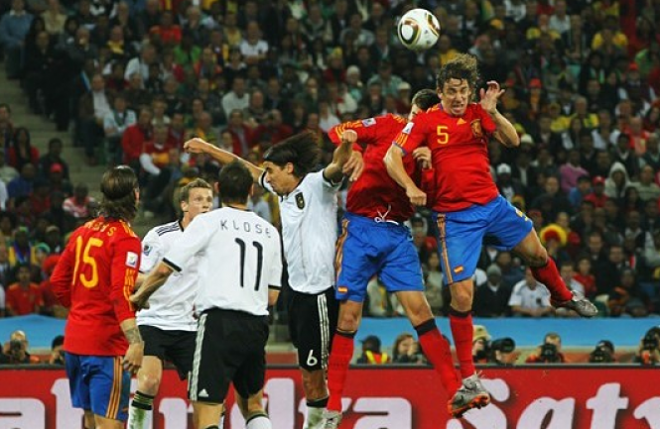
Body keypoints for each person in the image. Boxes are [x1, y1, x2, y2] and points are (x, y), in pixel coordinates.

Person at [384, 54, 598, 417]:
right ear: (439, 92)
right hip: (455, 219)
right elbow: (392, 157)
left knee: (537, 254)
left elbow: (513, 140)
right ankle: (469, 377)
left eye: (463, 91)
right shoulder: (425, 121)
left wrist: (492, 111)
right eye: (451, 91)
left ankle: (561, 296)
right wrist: (409, 187)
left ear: (470, 92)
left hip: (493, 205)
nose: (457, 98)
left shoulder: (476, 113)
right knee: (462, 294)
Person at [184, 130, 356, 429]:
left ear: (289, 168)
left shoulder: (318, 185)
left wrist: (347, 143)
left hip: (319, 293)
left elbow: (338, 165)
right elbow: (241, 165)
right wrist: (207, 148)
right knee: (307, 372)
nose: (267, 177)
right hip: (296, 292)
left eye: (271, 171)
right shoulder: (281, 191)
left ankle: (321, 423)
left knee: (317, 374)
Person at [321, 90, 464, 427]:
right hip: (359, 228)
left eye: (427, 116)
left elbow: (431, 197)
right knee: (349, 318)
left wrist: (428, 168)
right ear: (411, 109)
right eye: (417, 112)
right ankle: (334, 404)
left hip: (397, 233)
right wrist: (353, 149)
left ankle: (456, 390)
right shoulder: (388, 124)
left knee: (420, 310)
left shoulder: (434, 151)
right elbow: (338, 131)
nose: (418, 119)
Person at [131, 161, 283, 429]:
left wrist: (138, 298)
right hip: (257, 323)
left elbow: (164, 269)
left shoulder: (210, 223)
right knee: (253, 404)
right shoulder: (270, 230)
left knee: (209, 406)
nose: (203, 204)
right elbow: (272, 297)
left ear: (218, 189)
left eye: (207, 198)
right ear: (250, 189)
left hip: (215, 323)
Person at [50, 166, 144, 429]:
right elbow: (120, 293)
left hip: (75, 342)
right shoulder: (126, 238)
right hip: (105, 345)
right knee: (109, 425)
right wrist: (135, 342)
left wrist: (82, 307)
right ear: (135, 195)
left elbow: (57, 281)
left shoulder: (82, 231)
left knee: (92, 422)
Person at [127, 179, 214, 429]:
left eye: (209, 200)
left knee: (205, 394)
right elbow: (134, 278)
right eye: (199, 200)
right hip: (155, 320)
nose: (206, 205)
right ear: (184, 205)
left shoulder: (216, 239)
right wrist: (163, 272)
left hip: (192, 326)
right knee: (149, 382)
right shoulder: (161, 236)